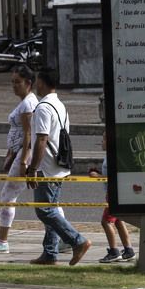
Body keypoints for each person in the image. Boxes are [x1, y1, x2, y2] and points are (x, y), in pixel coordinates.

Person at [0, 65, 53, 253]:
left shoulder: (29, 104)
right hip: (18, 153)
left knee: (8, 195)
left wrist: (23, 161)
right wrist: (10, 154)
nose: (14, 86)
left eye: (17, 82)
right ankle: (60, 237)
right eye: (12, 82)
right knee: (47, 199)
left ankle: (2, 241)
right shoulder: (24, 102)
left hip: (24, 154)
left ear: (29, 83)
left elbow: (29, 134)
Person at [25, 68, 91, 266]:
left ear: (43, 83)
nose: (36, 85)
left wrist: (32, 168)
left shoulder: (44, 107)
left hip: (47, 167)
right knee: (51, 208)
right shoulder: (60, 105)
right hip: (58, 164)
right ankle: (50, 252)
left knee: (44, 210)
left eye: (37, 81)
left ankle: (77, 241)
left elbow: (41, 139)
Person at [88, 133, 135, 262]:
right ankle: (129, 249)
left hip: (114, 194)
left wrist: (97, 177)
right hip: (117, 192)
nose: (101, 142)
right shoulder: (112, 155)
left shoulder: (113, 156)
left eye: (103, 139)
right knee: (119, 220)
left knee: (106, 222)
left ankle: (114, 251)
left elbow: (114, 176)